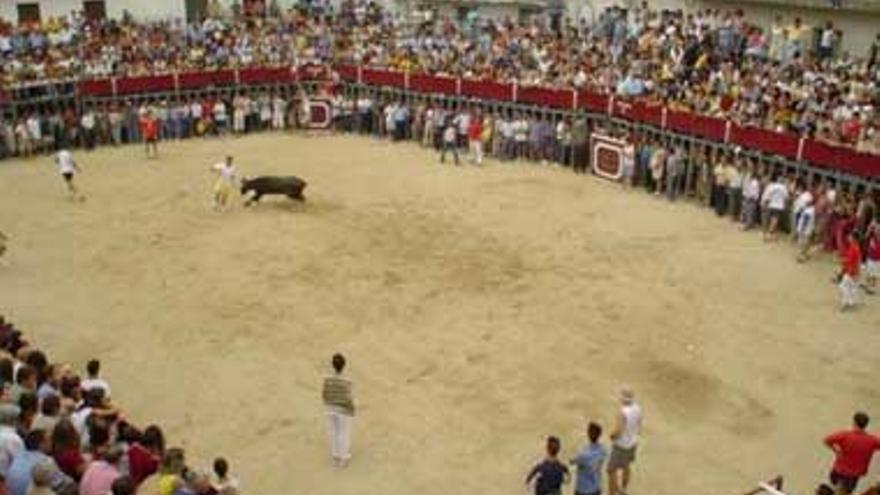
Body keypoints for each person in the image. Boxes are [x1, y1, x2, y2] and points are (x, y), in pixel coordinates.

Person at [824, 412, 880, 494]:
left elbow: (826, 440)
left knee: (832, 488)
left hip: (839, 470)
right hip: (854, 475)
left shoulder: (845, 435)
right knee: (846, 492)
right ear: (866, 425)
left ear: (854, 422)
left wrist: (836, 451)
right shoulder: (872, 440)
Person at [322, 353, 355, 468]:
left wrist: (328, 405)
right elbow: (348, 397)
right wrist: (351, 409)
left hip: (330, 408)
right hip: (343, 410)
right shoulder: (347, 381)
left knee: (333, 432)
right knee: (344, 433)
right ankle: (344, 458)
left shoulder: (327, 379)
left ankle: (335, 456)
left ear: (333, 365)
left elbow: (324, 394)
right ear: (344, 365)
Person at [607, 388, 642, 495]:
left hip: (621, 446)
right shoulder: (637, 408)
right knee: (626, 466)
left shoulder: (623, 412)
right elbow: (639, 423)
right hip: (632, 443)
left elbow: (618, 431)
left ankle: (612, 492)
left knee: (611, 470)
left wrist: (612, 436)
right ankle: (623, 489)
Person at [571, 422, 607, 495]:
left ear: (588, 434)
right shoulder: (602, 450)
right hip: (596, 487)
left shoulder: (583, 454)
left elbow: (572, 461)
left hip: (583, 489)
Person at [837, 232, 862, 312]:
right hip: (852, 271)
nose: (848, 237)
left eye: (850, 236)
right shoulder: (855, 247)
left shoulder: (854, 248)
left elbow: (851, 261)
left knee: (843, 286)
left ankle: (846, 303)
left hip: (851, 271)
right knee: (851, 287)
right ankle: (851, 303)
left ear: (854, 239)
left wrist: (841, 261)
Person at [761, 174, 788, 242]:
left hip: (771, 204)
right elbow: (786, 197)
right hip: (779, 206)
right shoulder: (784, 187)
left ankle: (770, 234)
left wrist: (765, 203)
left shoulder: (771, 186)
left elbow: (767, 195)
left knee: (770, 219)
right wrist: (784, 205)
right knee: (775, 219)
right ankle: (770, 234)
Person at [796, 198, 817, 263]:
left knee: (802, 243)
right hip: (809, 229)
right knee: (806, 242)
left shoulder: (808, 211)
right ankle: (804, 254)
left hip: (804, 229)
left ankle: (802, 256)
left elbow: (805, 220)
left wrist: (802, 228)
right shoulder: (812, 210)